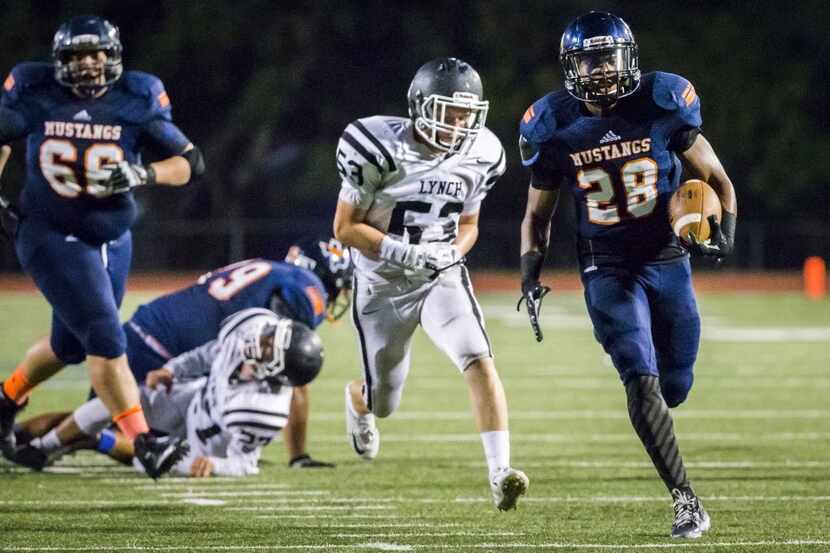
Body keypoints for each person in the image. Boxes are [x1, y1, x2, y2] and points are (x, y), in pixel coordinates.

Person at [517, 11, 737, 539]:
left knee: (675, 386)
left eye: (610, 57)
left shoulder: (662, 102)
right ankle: (686, 500)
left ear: (629, 56)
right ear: (572, 66)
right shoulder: (553, 125)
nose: (603, 70)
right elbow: (536, 216)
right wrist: (530, 273)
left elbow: (717, 179)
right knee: (640, 378)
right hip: (606, 266)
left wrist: (722, 234)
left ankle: (662, 413)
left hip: (667, 257)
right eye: (591, 60)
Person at [0, 15, 206, 477]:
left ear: (113, 57)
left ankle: (6, 396)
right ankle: (144, 442)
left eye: (97, 53)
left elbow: (191, 163)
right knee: (106, 337)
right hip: (49, 231)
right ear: (59, 62)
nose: (89, 63)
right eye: (77, 55)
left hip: (114, 237)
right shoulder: (36, 91)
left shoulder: (136, 96)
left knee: (69, 345)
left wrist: (143, 173)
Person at [332, 57, 528, 511]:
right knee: (384, 401)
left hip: (441, 278)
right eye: (448, 113)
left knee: (478, 359)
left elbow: (470, 223)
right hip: (382, 284)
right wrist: (404, 252)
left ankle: (500, 472)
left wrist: (452, 253)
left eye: (466, 115)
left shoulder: (482, 153)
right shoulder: (376, 146)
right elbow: (345, 228)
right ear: (419, 107)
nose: (458, 125)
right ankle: (358, 401)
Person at [9, 239, 351, 469]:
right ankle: (29, 441)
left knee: (115, 421)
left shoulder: (273, 268)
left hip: (154, 328)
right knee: (143, 442)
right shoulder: (308, 290)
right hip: (168, 349)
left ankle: (25, 439)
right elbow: (287, 364)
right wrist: (299, 455)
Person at [21, 309, 324, 477]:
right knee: (122, 401)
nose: (262, 340)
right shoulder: (251, 331)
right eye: (271, 336)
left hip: (203, 446)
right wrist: (173, 370)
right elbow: (210, 353)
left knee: (151, 459)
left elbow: (245, 464)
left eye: (271, 348)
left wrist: (216, 466)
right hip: (194, 399)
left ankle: (98, 440)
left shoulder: (262, 410)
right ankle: (42, 448)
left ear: (277, 374)